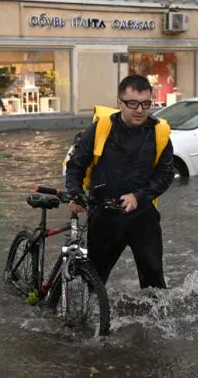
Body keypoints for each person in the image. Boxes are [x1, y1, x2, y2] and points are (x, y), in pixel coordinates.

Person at [64, 75, 175, 289]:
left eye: (145, 104)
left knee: (154, 282)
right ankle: (90, 317)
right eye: (132, 103)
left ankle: (152, 320)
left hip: (143, 216)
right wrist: (76, 193)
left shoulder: (159, 133)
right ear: (119, 103)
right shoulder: (100, 129)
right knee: (94, 280)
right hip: (103, 216)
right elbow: (76, 165)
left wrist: (138, 197)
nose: (140, 110)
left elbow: (165, 175)